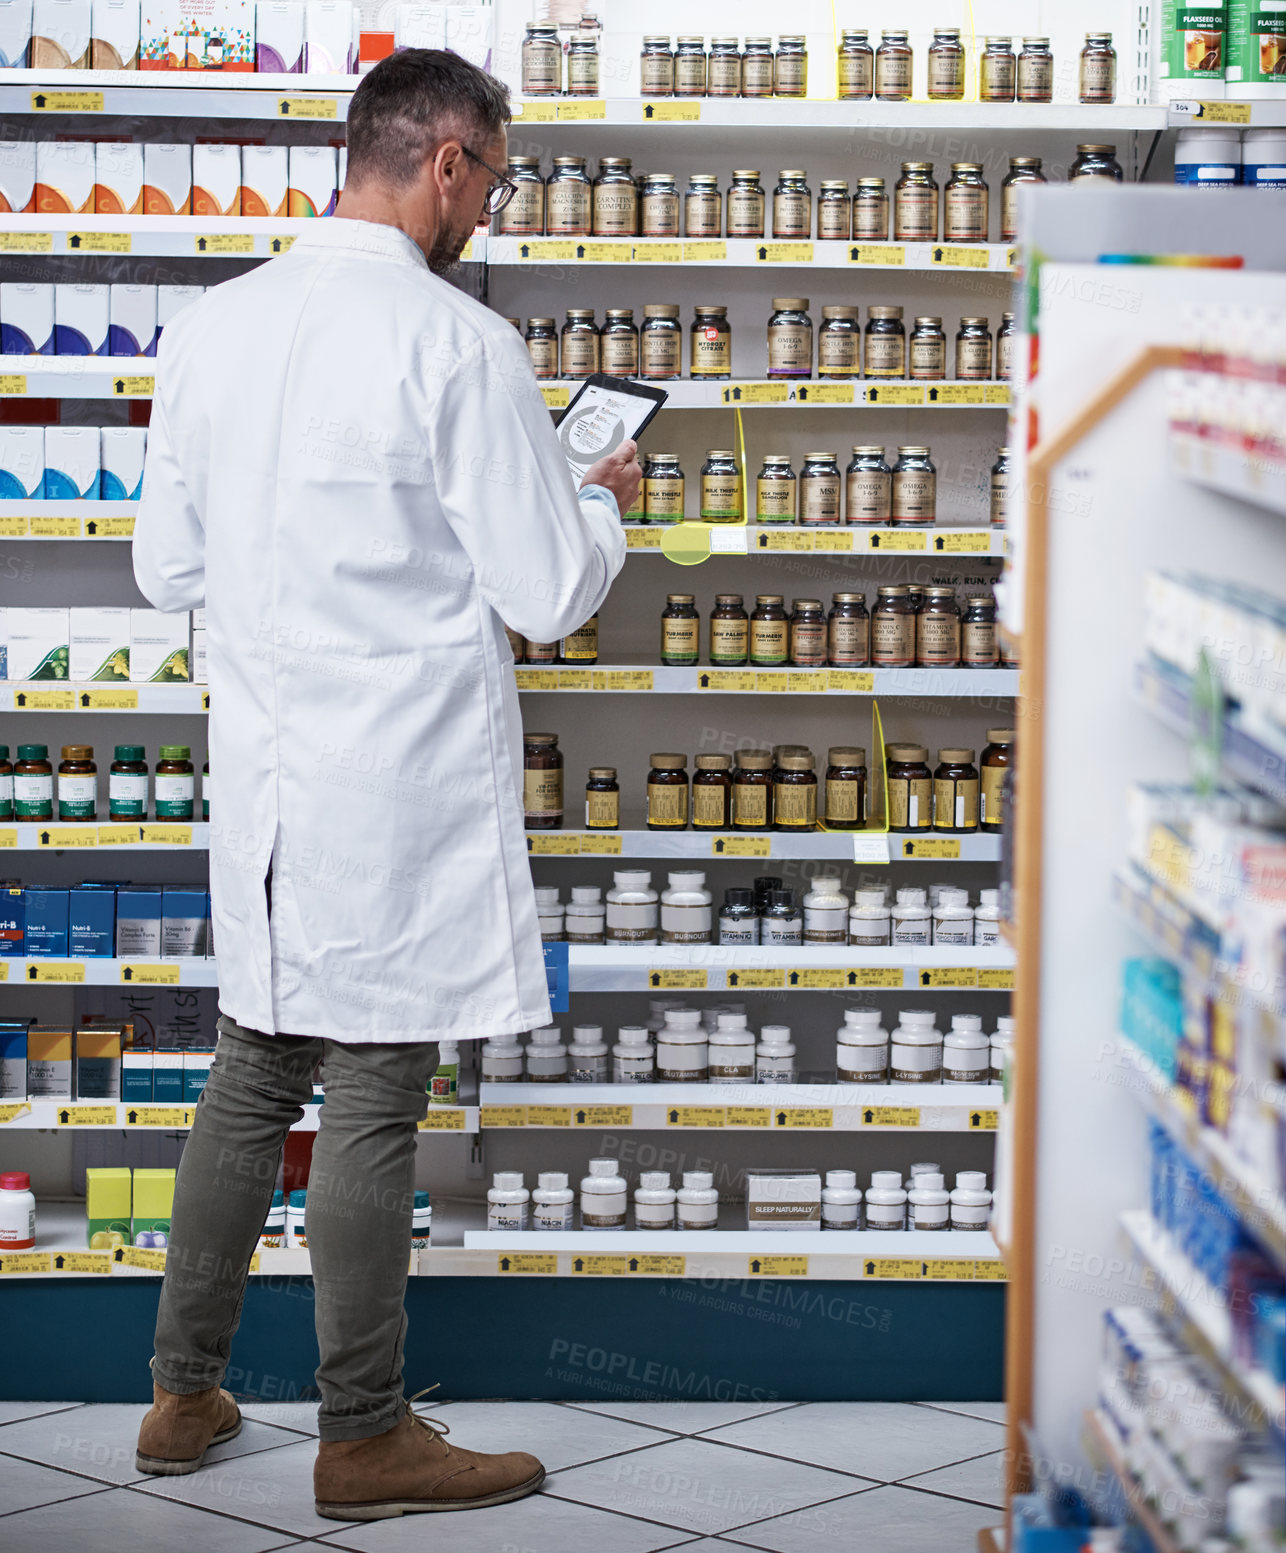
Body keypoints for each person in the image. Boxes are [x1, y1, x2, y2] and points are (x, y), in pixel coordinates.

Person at [129, 48, 639, 1521]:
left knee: (249, 1071)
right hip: (396, 776)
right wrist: (590, 504)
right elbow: (544, 588)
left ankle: (182, 1395)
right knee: (370, 1090)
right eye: (494, 178)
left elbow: (166, 566)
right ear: (450, 166)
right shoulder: (458, 347)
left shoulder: (211, 331)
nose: (486, 206)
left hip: (272, 770)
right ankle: (361, 1432)